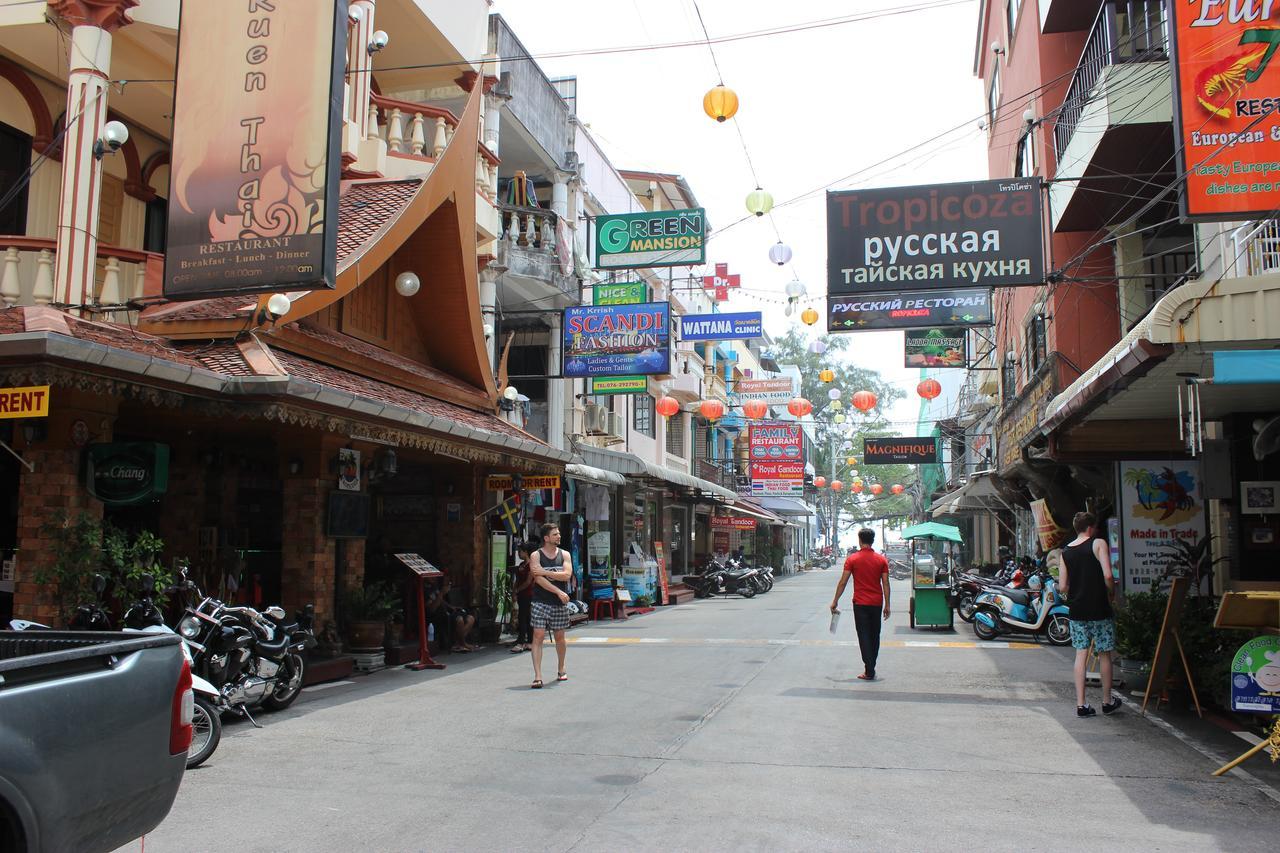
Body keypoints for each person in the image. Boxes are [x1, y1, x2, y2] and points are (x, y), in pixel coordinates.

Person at [1058, 511, 1120, 718]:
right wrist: (1111, 591)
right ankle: (1106, 701)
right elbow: (1108, 575)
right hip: (1099, 608)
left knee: (1080, 654)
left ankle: (1081, 704)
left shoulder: (1065, 552)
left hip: (1077, 610)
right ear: (1091, 528)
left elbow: (1062, 586)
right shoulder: (1098, 543)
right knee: (1104, 654)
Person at [829, 528, 891, 681]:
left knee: (863, 635)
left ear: (859, 540)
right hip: (877, 603)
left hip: (860, 603)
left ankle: (869, 669)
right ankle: (871, 667)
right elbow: (886, 583)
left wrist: (835, 600)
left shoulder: (853, 559)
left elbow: (843, 582)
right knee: (874, 635)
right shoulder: (881, 560)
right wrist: (887, 605)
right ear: (873, 540)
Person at [528, 523, 573, 688]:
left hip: (559, 603)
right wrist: (558, 591)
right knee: (538, 635)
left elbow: (566, 575)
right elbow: (537, 579)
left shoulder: (565, 554)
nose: (559, 536)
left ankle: (561, 668)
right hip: (540, 601)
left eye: (559, 534)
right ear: (546, 538)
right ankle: (538, 675)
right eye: (555, 534)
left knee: (560, 637)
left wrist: (545, 572)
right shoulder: (536, 555)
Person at [426, 576, 477, 653]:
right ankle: (463, 643)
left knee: (471, 618)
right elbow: (432, 609)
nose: (434, 578)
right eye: (431, 577)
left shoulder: (434, 587)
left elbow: (442, 602)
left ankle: (457, 642)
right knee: (459, 620)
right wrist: (442, 593)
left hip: (449, 611)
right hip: (440, 616)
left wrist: (452, 607)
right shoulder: (426, 591)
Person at [510, 541, 536, 653]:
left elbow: (528, 582)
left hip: (528, 594)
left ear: (526, 552)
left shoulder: (531, 566)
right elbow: (518, 580)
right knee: (522, 617)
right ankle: (524, 640)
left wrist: (517, 590)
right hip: (521, 594)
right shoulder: (521, 565)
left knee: (525, 617)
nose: (518, 554)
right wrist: (514, 590)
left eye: (520, 551)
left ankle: (525, 641)